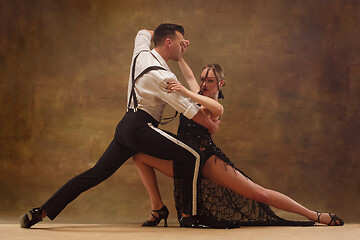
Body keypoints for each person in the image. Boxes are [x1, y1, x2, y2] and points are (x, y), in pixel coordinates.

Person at [19, 24, 219, 229]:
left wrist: (165, 36)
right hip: (141, 128)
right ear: (168, 42)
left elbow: (143, 32)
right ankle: (189, 216)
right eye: (181, 42)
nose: (184, 46)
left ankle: (40, 212)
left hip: (125, 127)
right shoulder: (163, 76)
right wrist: (211, 124)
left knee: (95, 174)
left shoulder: (141, 53)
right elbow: (192, 112)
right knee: (194, 156)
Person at [132, 54, 345, 228]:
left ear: (221, 83)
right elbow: (188, 76)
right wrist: (179, 58)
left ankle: (313, 215)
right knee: (139, 156)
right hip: (185, 159)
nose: (204, 84)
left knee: (258, 193)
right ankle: (158, 207)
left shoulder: (212, 105)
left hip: (207, 160)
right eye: (203, 79)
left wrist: (187, 92)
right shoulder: (197, 93)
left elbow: (216, 108)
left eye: (210, 80)